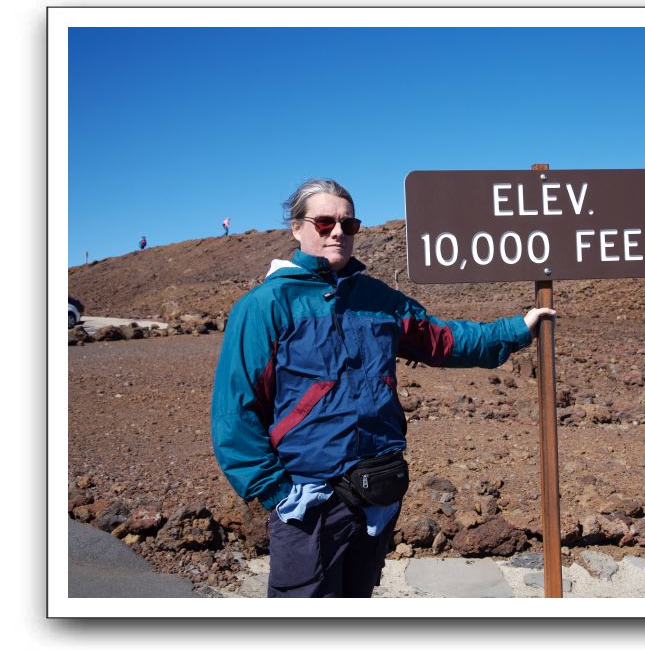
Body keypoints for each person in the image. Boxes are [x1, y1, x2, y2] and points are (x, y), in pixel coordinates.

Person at [211, 178, 555, 598]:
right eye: (324, 223)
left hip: (378, 492)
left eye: (348, 224)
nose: (337, 232)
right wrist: (278, 493)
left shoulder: (378, 299)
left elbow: (442, 340)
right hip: (308, 502)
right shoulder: (265, 306)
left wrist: (517, 329)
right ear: (297, 229)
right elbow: (236, 411)